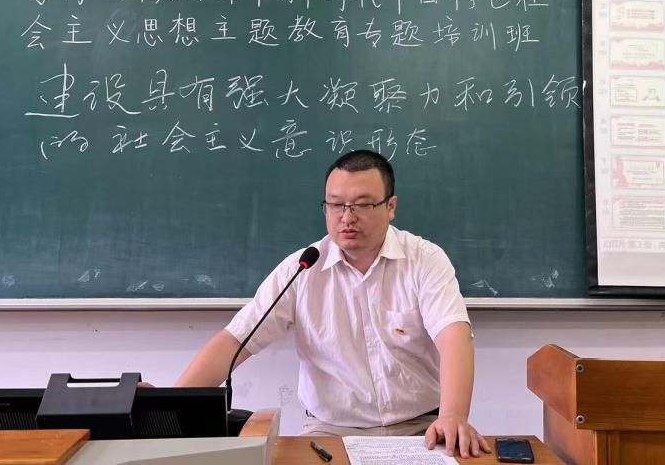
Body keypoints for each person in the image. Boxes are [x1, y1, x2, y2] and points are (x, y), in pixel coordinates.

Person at [175, 149, 490, 458]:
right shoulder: (302, 268)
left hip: (421, 428)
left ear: (390, 206)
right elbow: (235, 340)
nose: (347, 217)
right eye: (336, 205)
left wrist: (452, 416)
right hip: (330, 432)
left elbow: (454, 337)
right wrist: (169, 407)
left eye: (363, 205)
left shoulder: (424, 259)